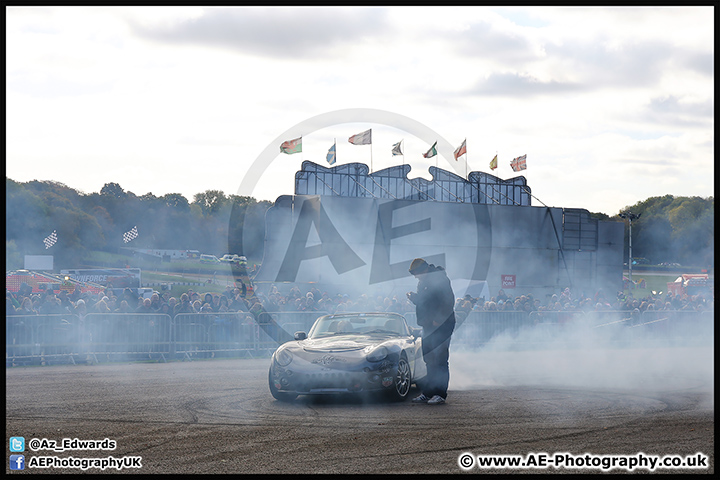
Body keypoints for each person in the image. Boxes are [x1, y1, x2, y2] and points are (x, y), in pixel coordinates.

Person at [406, 258, 456, 405]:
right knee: (429, 359)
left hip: (441, 325)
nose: (415, 276)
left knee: (440, 359)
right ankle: (429, 392)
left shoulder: (440, 279)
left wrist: (439, 320)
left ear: (424, 270)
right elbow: (424, 301)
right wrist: (414, 298)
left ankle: (440, 394)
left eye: (416, 273)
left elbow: (448, 300)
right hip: (428, 325)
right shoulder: (423, 282)